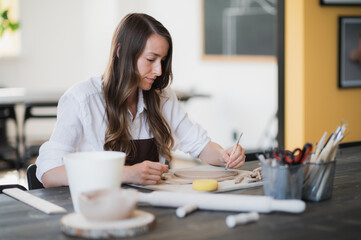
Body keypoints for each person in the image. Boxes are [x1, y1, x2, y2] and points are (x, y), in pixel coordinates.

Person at [36, 13, 246, 188]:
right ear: (121, 52)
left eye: (162, 61)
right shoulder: (82, 99)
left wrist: (224, 155)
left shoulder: (162, 98)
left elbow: (200, 145)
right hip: (98, 211)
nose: (159, 70)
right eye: (150, 59)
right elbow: (49, 173)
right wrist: (124, 173)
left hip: (153, 210)